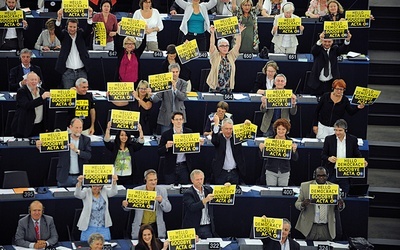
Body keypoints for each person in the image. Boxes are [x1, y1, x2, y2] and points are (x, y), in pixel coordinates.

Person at [36, 118, 92, 187]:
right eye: (76, 127)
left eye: (80, 127)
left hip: (80, 177)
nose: (79, 130)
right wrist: (40, 146)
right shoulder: (63, 138)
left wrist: (76, 150)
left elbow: (88, 156)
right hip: (65, 177)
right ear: (70, 127)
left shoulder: (86, 140)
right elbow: (50, 149)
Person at [295, 166, 345, 240]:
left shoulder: (334, 188)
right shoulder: (305, 186)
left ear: (327, 176)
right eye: (319, 176)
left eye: (323, 176)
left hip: (327, 227)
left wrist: (340, 204)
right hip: (311, 227)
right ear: (314, 176)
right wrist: (303, 204)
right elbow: (297, 204)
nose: (321, 178)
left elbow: (341, 206)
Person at [122, 169, 172, 239]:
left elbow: (168, 209)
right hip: (141, 225)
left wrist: (161, 201)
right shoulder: (137, 190)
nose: (154, 182)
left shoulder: (162, 191)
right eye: (151, 180)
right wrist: (125, 205)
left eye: (155, 179)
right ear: (145, 180)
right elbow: (128, 208)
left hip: (156, 226)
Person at [321, 119, 368, 194]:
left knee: (345, 193)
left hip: (345, 173)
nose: (337, 133)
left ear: (345, 130)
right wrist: (329, 158)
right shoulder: (329, 139)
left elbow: (357, 154)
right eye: (335, 130)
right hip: (332, 171)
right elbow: (323, 155)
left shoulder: (352, 139)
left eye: (340, 130)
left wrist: (362, 161)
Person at [55, 9, 93, 89]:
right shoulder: (64, 35)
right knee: (69, 96)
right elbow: (57, 31)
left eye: (74, 27)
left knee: (83, 94)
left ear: (77, 27)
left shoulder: (81, 35)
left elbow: (89, 30)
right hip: (68, 72)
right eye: (70, 27)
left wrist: (89, 16)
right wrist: (59, 18)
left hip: (81, 71)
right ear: (67, 26)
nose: (72, 29)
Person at [306, 31, 352, 96]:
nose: (327, 44)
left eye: (329, 42)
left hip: (330, 83)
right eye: (325, 41)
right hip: (317, 84)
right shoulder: (318, 50)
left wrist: (347, 40)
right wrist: (320, 40)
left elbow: (343, 49)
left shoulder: (335, 50)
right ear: (322, 41)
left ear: (332, 42)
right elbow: (314, 50)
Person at [74, 174, 118, 241]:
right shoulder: (86, 191)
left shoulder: (104, 191)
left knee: (105, 244)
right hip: (88, 226)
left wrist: (114, 182)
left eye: (99, 186)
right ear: (91, 185)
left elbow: (114, 192)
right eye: (94, 186)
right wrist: (79, 182)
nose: (97, 188)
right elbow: (78, 194)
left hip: (103, 226)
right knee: (86, 245)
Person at [258, 118, 298, 186]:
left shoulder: (290, 141)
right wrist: (261, 149)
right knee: (271, 193)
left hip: (284, 172)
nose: (281, 131)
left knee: (282, 194)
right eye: (279, 129)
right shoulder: (269, 140)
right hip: (271, 171)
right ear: (275, 129)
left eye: (283, 129)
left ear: (286, 130)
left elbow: (295, 158)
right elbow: (261, 157)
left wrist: (294, 150)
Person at [158, 112, 194, 184]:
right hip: (170, 167)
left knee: (184, 189)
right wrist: (166, 146)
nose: (178, 121)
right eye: (176, 119)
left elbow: (193, 150)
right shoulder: (166, 134)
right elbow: (159, 152)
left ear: (183, 120)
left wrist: (198, 144)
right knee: (170, 188)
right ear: (172, 121)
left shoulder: (189, 132)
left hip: (184, 167)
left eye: (180, 119)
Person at [151, 63, 188, 134]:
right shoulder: (164, 82)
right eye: (173, 72)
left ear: (179, 72)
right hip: (166, 115)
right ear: (169, 72)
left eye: (176, 72)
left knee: (178, 139)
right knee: (165, 137)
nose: (175, 74)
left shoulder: (183, 83)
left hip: (179, 115)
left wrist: (175, 89)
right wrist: (151, 95)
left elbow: (183, 97)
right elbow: (157, 99)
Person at [11, 72, 50, 138]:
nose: (34, 82)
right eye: (32, 80)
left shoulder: (42, 91)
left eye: (35, 80)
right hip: (25, 126)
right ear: (26, 81)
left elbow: (45, 110)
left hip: (39, 126)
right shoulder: (22, 91)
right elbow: (27, 105)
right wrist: (42, 98)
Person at [206, 24, 244, 92]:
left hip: (228, 88)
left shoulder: (231, 55)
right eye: (222, 46)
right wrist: (212, 33)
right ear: (218, 47)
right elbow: (212, 45)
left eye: (227, 46)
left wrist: (239, 33)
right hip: (215, 87)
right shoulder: (215, 55)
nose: (225, 47)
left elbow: (237, 45)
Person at [211, 117, 247, 184]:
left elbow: (247, 135)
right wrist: (216, 124)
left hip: (234, 172)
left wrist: (247, 125)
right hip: (221, 172)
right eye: (226, 129)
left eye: (230, 129)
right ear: (222, 129)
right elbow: (214, 140)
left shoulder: (236, 138)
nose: (228, 131)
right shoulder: (219, 137)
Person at [182, 169, 216, 238]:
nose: (200, 181)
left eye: (201, 179)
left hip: (208, 226)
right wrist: (205, 200)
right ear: (192, 180)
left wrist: (226, 186)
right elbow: (192, 207)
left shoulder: (208, 190)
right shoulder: (188, 193)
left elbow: (220, 194)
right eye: (197, 180)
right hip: (195, 227)